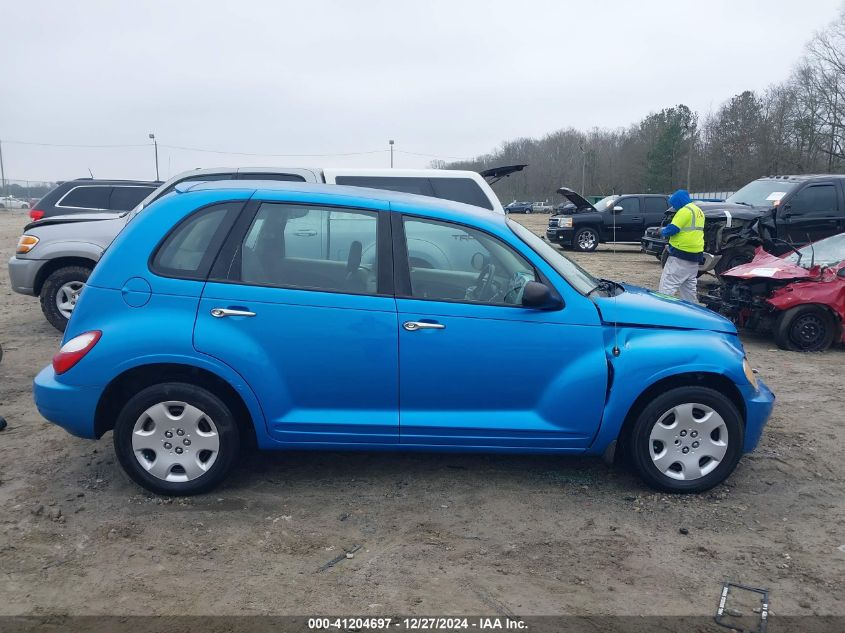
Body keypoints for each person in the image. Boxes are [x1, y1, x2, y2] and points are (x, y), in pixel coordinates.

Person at [658, 189, 705, 302]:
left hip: (680, 255)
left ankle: (662, 313)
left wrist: (661, 231)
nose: (674, 207)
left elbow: (673, 229)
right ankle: (693, 315)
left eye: (675, 204)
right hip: (695, 256)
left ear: (679, 202)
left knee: (667, 288)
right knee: (689, 290)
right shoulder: (699, 211)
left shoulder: (684, 211)